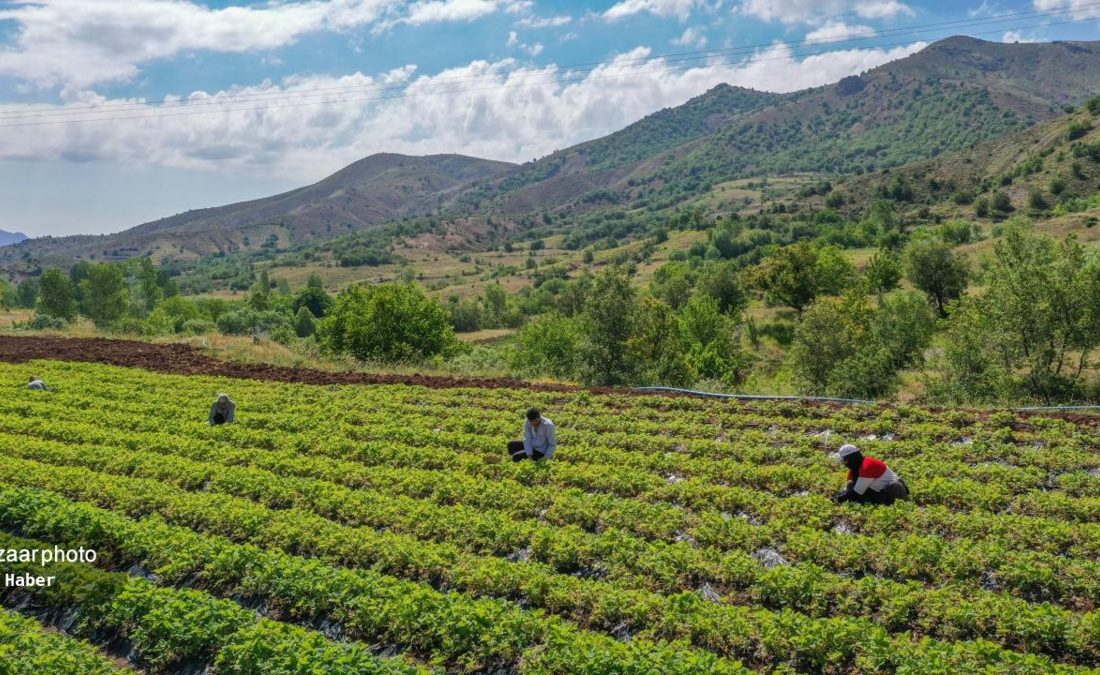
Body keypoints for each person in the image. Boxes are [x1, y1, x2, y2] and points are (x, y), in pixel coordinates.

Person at [833, 444, 909, 505]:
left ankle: (898, 505)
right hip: (881, 493)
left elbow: (857, 492)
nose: (845, 464)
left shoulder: (868, 466)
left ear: (852, 458)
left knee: (894, 485)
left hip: (895, 491)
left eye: (845, 462)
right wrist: (839, 496)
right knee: (851, 484)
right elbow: (848, 490)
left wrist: (838, 499)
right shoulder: (855, 470)